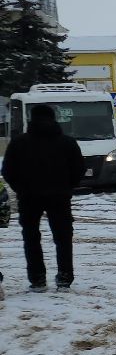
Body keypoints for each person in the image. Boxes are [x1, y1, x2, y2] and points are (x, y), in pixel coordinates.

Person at [2, 104, 84, 292]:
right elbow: (79, 169)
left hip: (29, 197)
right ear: (53, 118)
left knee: (31, 238)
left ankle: (37, 279)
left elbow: (8, 171)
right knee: (63, 238)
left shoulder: (19, 143)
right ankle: (64, 277)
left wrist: (21, 189)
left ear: (32, 118)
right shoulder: (67, 142)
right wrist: (67, 187)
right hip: (60, 197)